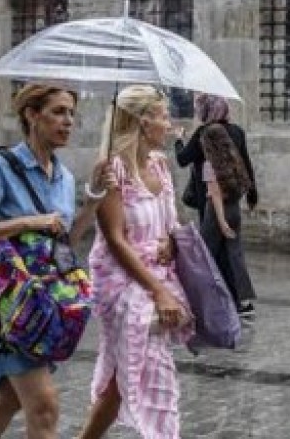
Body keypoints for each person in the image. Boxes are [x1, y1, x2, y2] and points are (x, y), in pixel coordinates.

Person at [0, 83, 111, 439]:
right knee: (43, 404)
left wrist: (94, 199)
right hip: (6, 300)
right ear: (31, 114)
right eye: (58, 112)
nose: (68, 121)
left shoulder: (64, 177)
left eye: (71, 113)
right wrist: (27, 222)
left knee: (9, 397)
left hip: (42, 301)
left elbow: (63, 244)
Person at [78, 85, 192, 439]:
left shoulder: (160, 166)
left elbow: (171, 224)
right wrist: (159, 292)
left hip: (160, 276)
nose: (169, 123)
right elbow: (114, 238)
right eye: (163, 115)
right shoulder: (113, 170)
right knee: (158, 377)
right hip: (124, 286)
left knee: (118, 379)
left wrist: (170, 244)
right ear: (143, 122)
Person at [174, 93, 259, 316]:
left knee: (207, 251)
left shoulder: (205, 133)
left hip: (210, 199)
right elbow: (246, 163)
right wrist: (252, 194)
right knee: (231, 251)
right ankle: (237, 300)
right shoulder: (237, 132)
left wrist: (178, 139)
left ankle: (204, 298)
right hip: (233, 198)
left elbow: (182, 159)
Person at [197, 123, 257, 317]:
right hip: (234, 209)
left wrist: (221, 221)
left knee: (205, 254)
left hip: (216, 212)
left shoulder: (209, 165)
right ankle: (243, 301)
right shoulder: (234, 160)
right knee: (235, 254)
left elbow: (215, 194)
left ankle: (203, 298)